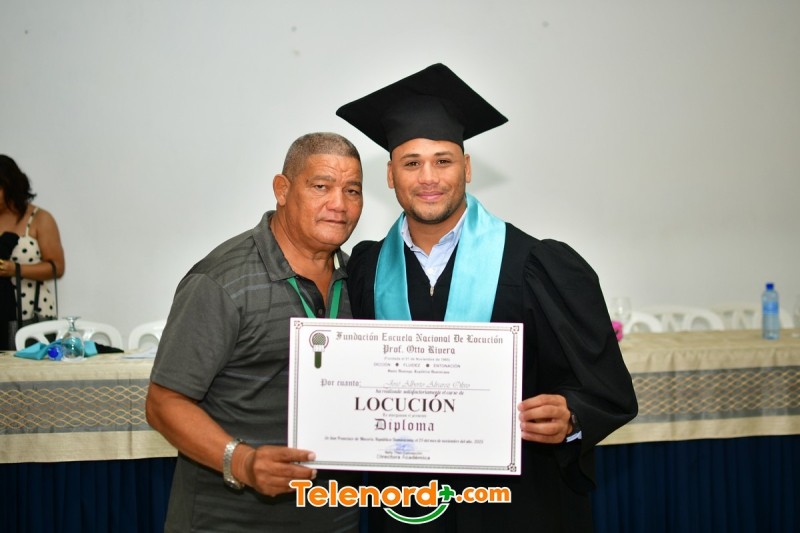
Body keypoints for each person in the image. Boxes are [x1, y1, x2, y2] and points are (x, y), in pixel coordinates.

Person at [336, 64, 638, 532]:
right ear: (391, 176)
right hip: (408, 507)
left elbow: (606, 390)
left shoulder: (537, 265)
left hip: (517, 506)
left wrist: (572, 414)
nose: (428, 177)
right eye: (411, 163)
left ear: (468, 167)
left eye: (443, 160)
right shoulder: (366, 269)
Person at [145, 132, 364, 532]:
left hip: (332, 516)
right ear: (282, 189)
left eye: (352, 190)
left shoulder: (361, 281)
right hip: (228, 520)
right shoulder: (222, 281)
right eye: (321, 186)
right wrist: (243, 462)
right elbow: (163, 403)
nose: (339, 204)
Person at [0, 155, 65, 348]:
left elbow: (57, 267)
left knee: (31, 366)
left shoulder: (39, 218)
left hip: (32, 316)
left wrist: (15, 269)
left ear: (10, 186)